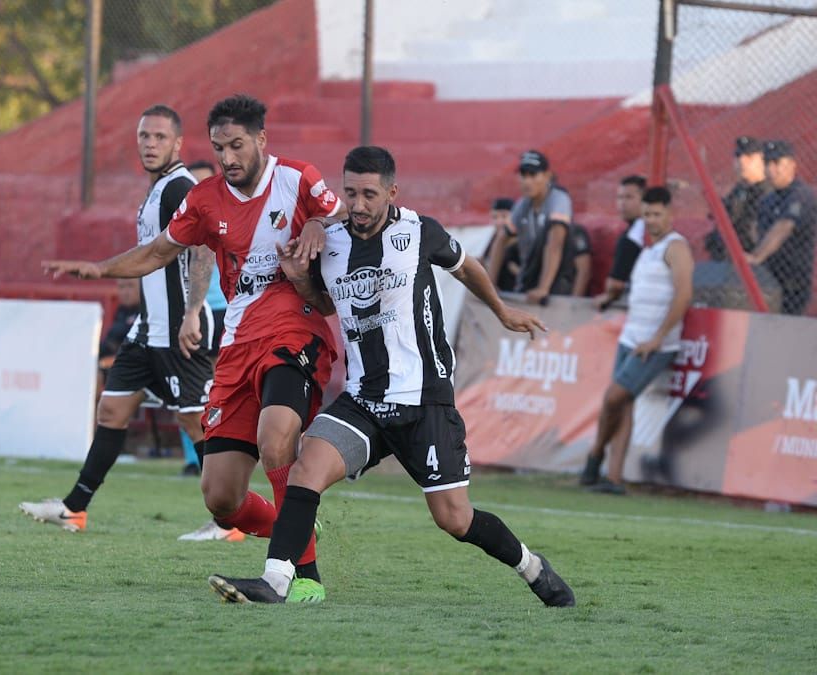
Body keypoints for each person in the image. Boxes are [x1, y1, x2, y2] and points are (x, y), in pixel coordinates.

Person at [206, 146, 574, 607]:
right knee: (305, 470)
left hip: (424, 401)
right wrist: (301, 279)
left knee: (455, 519)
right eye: (351, 193)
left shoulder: (421, 232)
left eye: (369, 195)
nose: (358, 205)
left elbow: (467, 267)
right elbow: (323, 305)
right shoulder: (331, 243)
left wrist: (501, 311)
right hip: (363, 401)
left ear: (391, 192)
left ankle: (532, 567)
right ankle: (277, 582)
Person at [43, 94, 345, 602]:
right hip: (236, 343)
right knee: (221, 498)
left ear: (261, 140)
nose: (227, 157)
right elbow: (161, 250)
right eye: (220, 147)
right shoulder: (205, 199)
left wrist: (317, 222)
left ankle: (301, 579)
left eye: (237, 145)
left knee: (276, 437)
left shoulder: (298, 178)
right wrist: (101, 268)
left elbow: (345, 221)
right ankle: (295, 530)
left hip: (296, 330)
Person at [20, 105, 223, 538]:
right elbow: (151, 257)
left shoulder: (179, 188)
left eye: (159, 137)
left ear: (177, 143)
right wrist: (101, 270)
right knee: (111, 410)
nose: (150, 144)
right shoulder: (156, 190)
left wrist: (191, 311)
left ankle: (230, 519)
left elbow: (203, 250)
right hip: (146, 328)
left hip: (177, 329)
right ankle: (74, 509)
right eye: (144, 136)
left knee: (193, 422)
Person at [580, 187, 693, 493]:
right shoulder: (647, 249)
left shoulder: (676, 247)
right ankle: (613, 478)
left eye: (657, 214)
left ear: (670, 213)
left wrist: (658, 338)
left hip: (655, 345)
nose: (652, 220)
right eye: (647, 214)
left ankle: (594, 456)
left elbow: (683, 295)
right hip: (631, 338)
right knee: (623, 403)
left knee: (613, 397)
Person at [179, 160, 227, 477]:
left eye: (204, 183)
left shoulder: (227, 220)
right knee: (188, 388)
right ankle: (194, 459)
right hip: (188, 315)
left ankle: (223, 455)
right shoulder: (177, 225)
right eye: (192, 184)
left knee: (219, 386)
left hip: (222, 310)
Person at [490, 151, 575, 304]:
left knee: (553, 230)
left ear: (547, 176)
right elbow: (501, 240)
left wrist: (543, 288)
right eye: (523, 175)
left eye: (533, 175)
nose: (527, 181)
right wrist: (489, 282)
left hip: (555, 285)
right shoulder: (523, 205)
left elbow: (555, 244)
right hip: (528, 279)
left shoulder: (559, 200)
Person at [748, 141, 816, 316]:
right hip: (767, 281)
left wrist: (756, 257)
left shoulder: (802, 195)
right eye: (767, 163)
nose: (771, 170)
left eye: (777, 163)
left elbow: (783, 227)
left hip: (792, 284)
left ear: (792, 165)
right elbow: (756, 230)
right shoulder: (767, 200)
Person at [705, 136, 767, 261]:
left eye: (749, 158)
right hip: (727, 257)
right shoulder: (739, 189)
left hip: (751, 259)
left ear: (762, 160)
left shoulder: (767, 191)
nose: (742, 163)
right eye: (738, 157)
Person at [594, 175, 646, 310]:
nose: (622, 203)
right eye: (620, 197)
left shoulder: (632, 238)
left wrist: (608, 296)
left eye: (629, 197)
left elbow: (615, 285)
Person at [485, 197, 521, 293]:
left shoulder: (523, 244)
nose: (499, 222)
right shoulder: (493, 240)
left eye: (504, 216)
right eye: (495, 217)